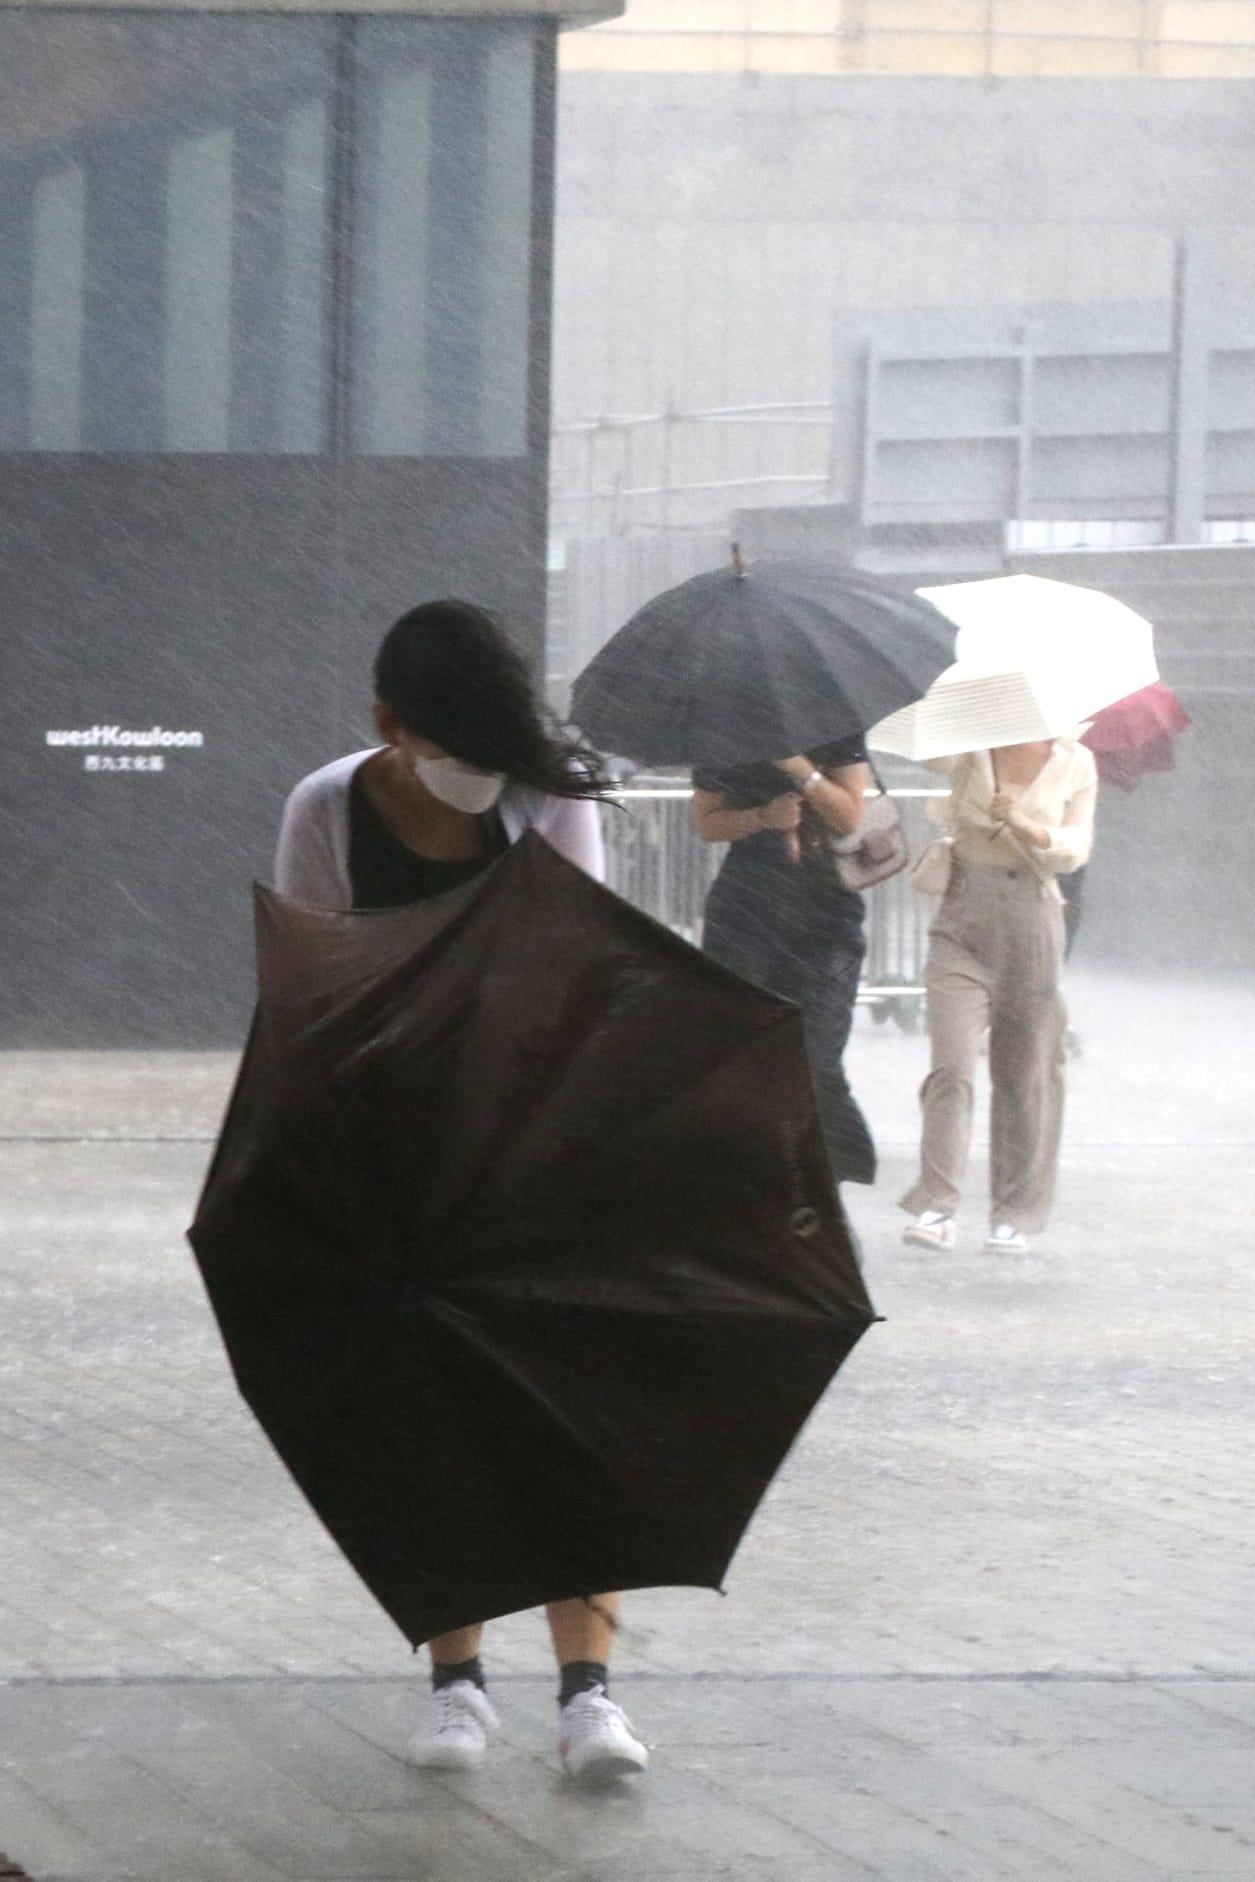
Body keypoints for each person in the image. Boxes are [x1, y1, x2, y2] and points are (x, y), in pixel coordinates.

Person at [274, 599, 649, 1783]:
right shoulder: (328, 806)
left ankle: (589, 1693)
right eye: (447, 743)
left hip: (539, 1151)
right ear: (387, 723)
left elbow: (573, 970)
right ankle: (456, 1686)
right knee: (431, 1429)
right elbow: (304, 984)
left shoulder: (550, 800)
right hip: (395, 1162)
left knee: (561, 1426)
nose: (470, 772)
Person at [900, 735, 1098, 1254]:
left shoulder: (1075, 761)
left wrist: (1028, 827)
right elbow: (925, 751)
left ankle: (1014, 1212)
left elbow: (1076, 848)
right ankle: (937, 1205)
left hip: (1032, 921)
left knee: (1024, 1073)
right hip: (963, 918)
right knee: (952, 1067)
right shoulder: (969, 747)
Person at [690, 738, 876, 1186]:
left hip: (826, 916)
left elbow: (848, 816)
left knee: (817, 1056)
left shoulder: (839, 728)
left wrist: (800, 770)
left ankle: (830, 1166)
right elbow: (706, 823)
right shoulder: (727, 733)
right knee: (742, 1051)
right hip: (745, 912)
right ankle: (760, 1173)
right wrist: (761, 818)